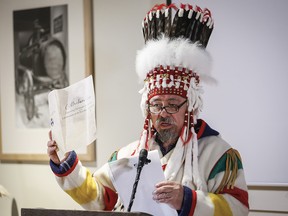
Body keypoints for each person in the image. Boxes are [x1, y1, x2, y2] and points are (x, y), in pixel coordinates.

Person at [47, 3, 249, 215]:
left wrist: (187, 200)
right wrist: (65, 162)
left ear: (189, 106)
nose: (162, 113)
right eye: (156, 105)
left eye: (172, 104)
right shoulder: (128, 156)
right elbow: (100, 199)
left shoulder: (218, 154)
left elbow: (239, 209)